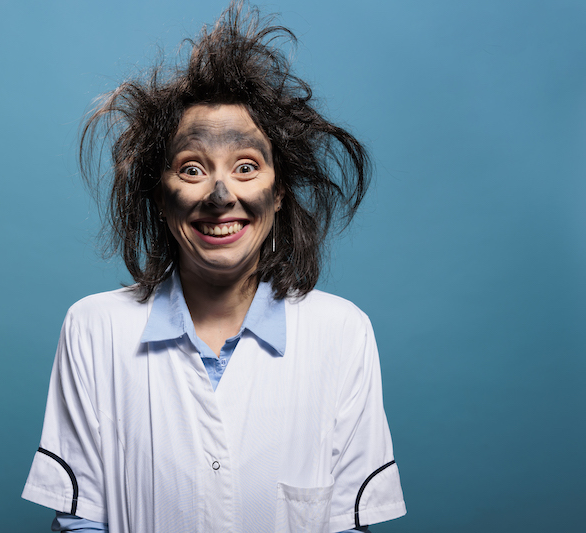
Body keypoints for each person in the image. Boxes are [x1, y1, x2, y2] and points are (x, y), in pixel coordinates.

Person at [22, 3, 406, 532]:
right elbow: (82, 522)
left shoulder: (342, 334)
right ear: (161, 196)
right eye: (193, 168)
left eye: (246, 166)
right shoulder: (95, 329)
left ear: (278, 194)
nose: (221, 195)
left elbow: (348, 524)